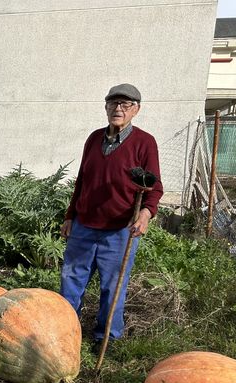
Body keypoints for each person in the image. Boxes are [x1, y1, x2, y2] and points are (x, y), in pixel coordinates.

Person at [60, 83, 163, 346]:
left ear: (136, 110)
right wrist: (70, 215)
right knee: (71, 281)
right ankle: (66, 333)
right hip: (84, 225)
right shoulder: (94, 139)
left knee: (113, 288)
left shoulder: (144, 142)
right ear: (106, 107)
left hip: (119, 230)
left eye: (125, 104)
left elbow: (155, 187)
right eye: (113, 103)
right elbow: (82, 180)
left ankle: (105, 339)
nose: (118, 108)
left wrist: (145, 214)